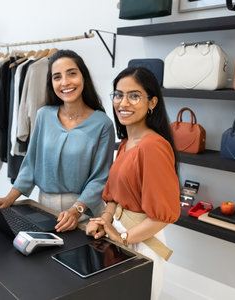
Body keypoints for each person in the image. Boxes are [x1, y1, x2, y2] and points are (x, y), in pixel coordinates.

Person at [0, 50, 115, 232]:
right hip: (45, 208)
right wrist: (9, 198)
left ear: (84, 76)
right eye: (57, 77)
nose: (65, 82)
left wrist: (75, 211)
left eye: (72, 74)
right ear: (51, 83)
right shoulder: (44, 115)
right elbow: (31, 164)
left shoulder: (102, 124)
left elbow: (100, 178)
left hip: (85, 214)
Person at [86, 67, 180, 300]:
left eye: (134, 96)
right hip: (120, 236)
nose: (123, 103)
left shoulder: (153, 147)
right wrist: (105, 220)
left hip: (142, 242)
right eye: (118, 95)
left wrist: (123, 238)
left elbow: (162, 216)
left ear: (152, 102)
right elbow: (114, 198)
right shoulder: (126, 144)